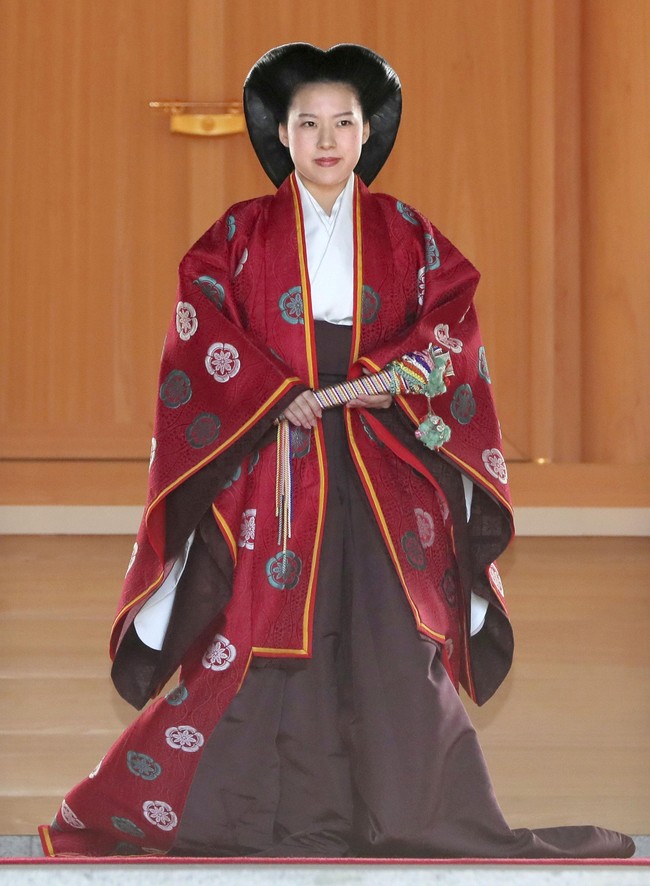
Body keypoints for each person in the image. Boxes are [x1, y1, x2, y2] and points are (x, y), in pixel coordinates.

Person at [39, 43, 634, 859]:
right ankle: (234, 818)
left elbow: (451, 326)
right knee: (257, 629)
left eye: (344, 123)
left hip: (385, 458)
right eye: (308, 123)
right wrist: (276, 396)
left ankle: (411, 815)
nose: (326, 139)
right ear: (280, 134)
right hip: (274, 462)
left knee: (392, 629)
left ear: (368, 133)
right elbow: (200, 339)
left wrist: (397, 376)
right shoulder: (239, 237)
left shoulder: (409, 234)